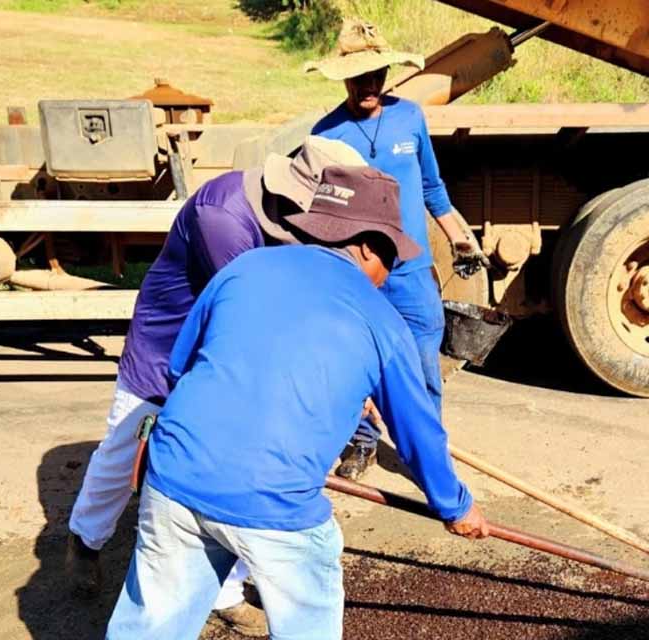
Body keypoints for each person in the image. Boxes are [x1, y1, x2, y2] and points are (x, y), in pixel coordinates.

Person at [105, 165, 489, 640]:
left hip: (174, 478)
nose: (389, 274)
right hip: (274, 505)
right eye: (391, 256)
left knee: (148, 628)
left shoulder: (244, 268)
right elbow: (418, 434)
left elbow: (183, 367)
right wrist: (456, 507)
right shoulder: (383, 322)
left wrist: (347, 400)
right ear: (368, 246)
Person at [65, 136, 365, 636]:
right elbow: (255, 310)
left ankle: (223, 591)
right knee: (125, 449)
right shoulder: (222, 216)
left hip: (231, 356)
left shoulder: (293, 222)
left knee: (233, 468)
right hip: (168, 347)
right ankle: (85, 538)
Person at [307, 19, 490, 480]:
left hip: (411, 270)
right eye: (359, 76)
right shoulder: (327, 135)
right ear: (344, 77)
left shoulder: (410, 117)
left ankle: (426, 450)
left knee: (425, 362)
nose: (369, 85)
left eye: (376, 74)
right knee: (357, 363)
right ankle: (363, 443)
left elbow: (431, 186)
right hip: (359, 275)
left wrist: (458, 235)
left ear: (387, 73)